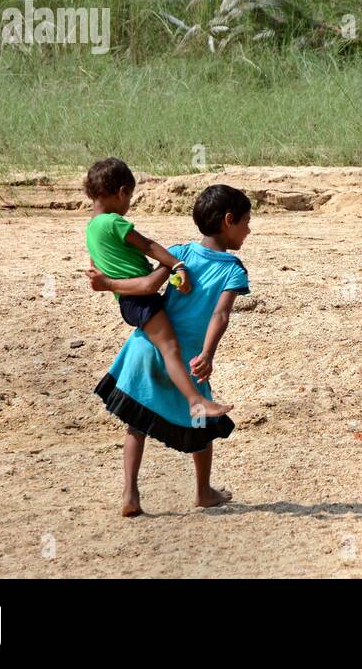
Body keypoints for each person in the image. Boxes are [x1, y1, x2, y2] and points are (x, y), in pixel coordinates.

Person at [90, 184, 252, 516]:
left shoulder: (180, 254)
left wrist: (109, 284)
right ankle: (203, 492)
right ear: (229, 220)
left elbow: (146, 286)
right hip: (188, 357)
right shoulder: (234, 270)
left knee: (137, 423)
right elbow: (220, 314)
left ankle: (130, 494)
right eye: (246, 222)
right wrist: (207, 354)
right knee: (201, 422)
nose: (249, 230)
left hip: (146, 346)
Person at [83, 157, 233, 421]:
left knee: (163, 348)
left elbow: (97, 268)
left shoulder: (91, 228)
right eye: (130, 197)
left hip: (127, 301)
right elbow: (148, 245)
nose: (128, 205)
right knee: (170, 349)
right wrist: (176, 263)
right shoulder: (114, 222)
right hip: (141, 299)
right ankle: (195, 401)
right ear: (121, 193)